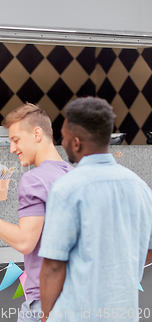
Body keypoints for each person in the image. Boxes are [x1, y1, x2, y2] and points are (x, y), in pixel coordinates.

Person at [38, 97, 152, 321]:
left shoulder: (67, 189)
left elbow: (52, 266)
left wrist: (46, 316)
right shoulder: (141, 188)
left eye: (65, 137)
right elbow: (148, 249)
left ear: (77, 142)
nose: (63, 143)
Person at [0, 103, 73, 322]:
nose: (11, 149)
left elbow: (25, 242)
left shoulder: (34, 180)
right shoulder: (73, 175)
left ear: (37, 134)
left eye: (16, 140)